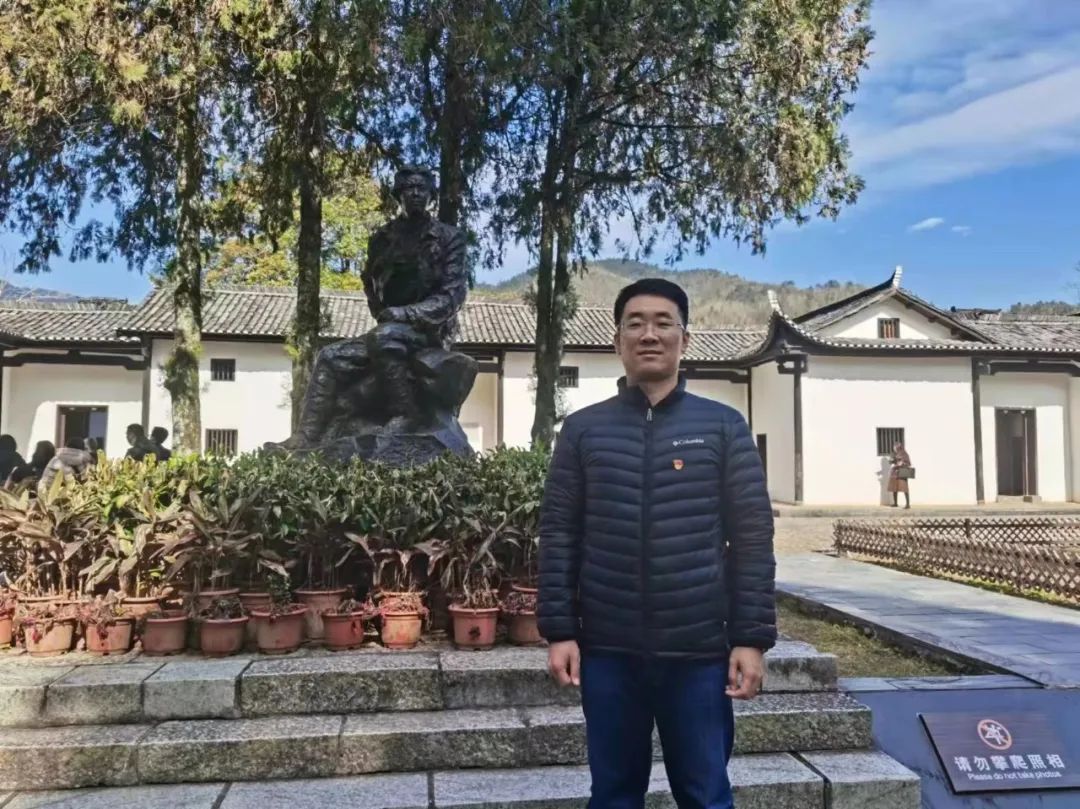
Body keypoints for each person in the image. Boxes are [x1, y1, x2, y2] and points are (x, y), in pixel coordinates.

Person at [538, 278, 776, 809]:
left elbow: (753, 539)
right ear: (617, 340)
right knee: (614, 795)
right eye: (636, 323)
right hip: (608, 652)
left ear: (684, 340)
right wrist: (560, 630)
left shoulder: (723, 427)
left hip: (698, 654)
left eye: (663, 323)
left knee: (706, 795)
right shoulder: (583, 430)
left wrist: (750, 639)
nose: (650, 334)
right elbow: (559, 533)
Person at [277, 165, 467, 447]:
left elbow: (451, 296)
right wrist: (382, 311)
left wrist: (406, 313)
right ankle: (306, 436)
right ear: (398, 195)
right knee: (330, 356)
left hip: (426, 331)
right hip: (389, 327)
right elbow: (370, 281)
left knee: (383, 337)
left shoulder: (449, 237)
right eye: (409, 188)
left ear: (431, 195)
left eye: (422, 188)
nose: (416, 194)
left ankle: (406, 414)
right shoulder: (382, 239)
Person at [888, 442, 912, 509]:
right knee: (894, 488)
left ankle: (907, 504)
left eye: (895, 447)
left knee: (904, 488)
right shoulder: (895, 454)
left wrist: (900, 463)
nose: (894, 448)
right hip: (895, 473)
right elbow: (892, 461)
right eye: (894, 447)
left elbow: (908, 463)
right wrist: (892, 461)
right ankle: (895, 503)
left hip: (902, 473)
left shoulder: (904, 454)